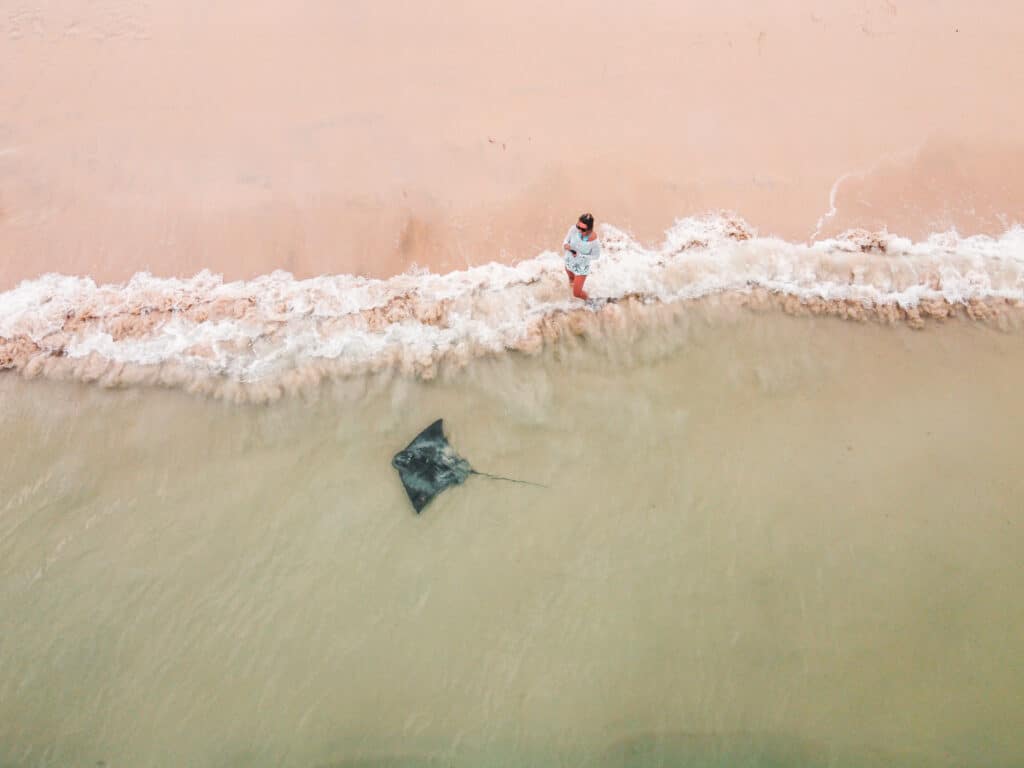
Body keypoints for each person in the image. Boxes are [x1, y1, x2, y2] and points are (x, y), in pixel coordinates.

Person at [563, 212, 600, 300]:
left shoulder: (594, 241)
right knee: (571, 280)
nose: (579, 230)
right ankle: (572, 299)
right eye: (578, 227)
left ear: (589, 229)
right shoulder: (573, 229)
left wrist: (581, 255)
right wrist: (565, 244)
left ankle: (590, 300)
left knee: (577, 293)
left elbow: (596, 256)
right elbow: (566, 240)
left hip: (581, 268)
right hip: (569, 261)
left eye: (583, 229)